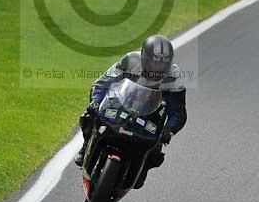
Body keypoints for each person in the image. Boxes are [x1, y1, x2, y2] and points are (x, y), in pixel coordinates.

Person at [74, 34, 187, 188]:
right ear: (144, 57)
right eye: (154, 62)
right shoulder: (130, 61)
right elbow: (102, 84)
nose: (158, 68)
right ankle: (86, 145)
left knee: (156, 151)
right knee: (89, 117)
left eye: (163, 64)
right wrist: (95, 102)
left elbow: (178, 111)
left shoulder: (174, 75)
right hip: (122, 104)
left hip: (151, 115)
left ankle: (142, 169)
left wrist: (169, 130)